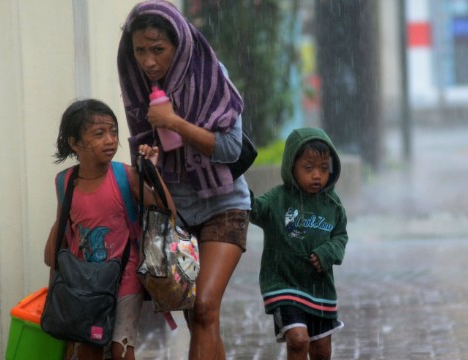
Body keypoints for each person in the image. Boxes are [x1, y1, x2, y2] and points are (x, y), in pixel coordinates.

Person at [116, 1, 251, 359]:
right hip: (176, 215)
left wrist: (175, 123)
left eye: (158, 49)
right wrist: (149, 168)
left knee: (205, 305)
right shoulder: (137, 88)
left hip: (224, 204)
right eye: (140, 50)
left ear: (180, 45)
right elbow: (146, 188)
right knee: (199, 318)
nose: (148, 61)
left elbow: (231, 149)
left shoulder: (210, 75)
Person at [43, 99, 164, 360]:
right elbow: (54, 250)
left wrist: (152, 172)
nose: (110, 140)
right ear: (74, 143)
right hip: (85, 284)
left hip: (125, 277)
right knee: (89, 348)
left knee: (122, 350)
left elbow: (168, 214)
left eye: (113, 131)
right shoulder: (65, 182)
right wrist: (55, 290)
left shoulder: (127, 176)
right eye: (99, 134)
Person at [249, 128, 348, 360]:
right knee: (297, 340)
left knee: (322, 350)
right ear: (291, 167)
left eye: (323, 169)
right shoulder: (277, 199)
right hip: (284, 283)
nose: (317, 175)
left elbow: (340, 237)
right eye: (309, 168)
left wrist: (327, 252)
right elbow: (255, 210)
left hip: (320, 288)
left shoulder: (333, 205)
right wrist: (237, 188)